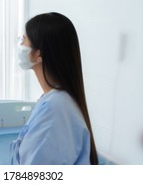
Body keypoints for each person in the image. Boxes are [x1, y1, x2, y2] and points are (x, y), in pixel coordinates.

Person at [11, 12, 98, 165]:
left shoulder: (54, 109)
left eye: (23, 40)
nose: (20, 45)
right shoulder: (58, 99)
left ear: (38, 54)